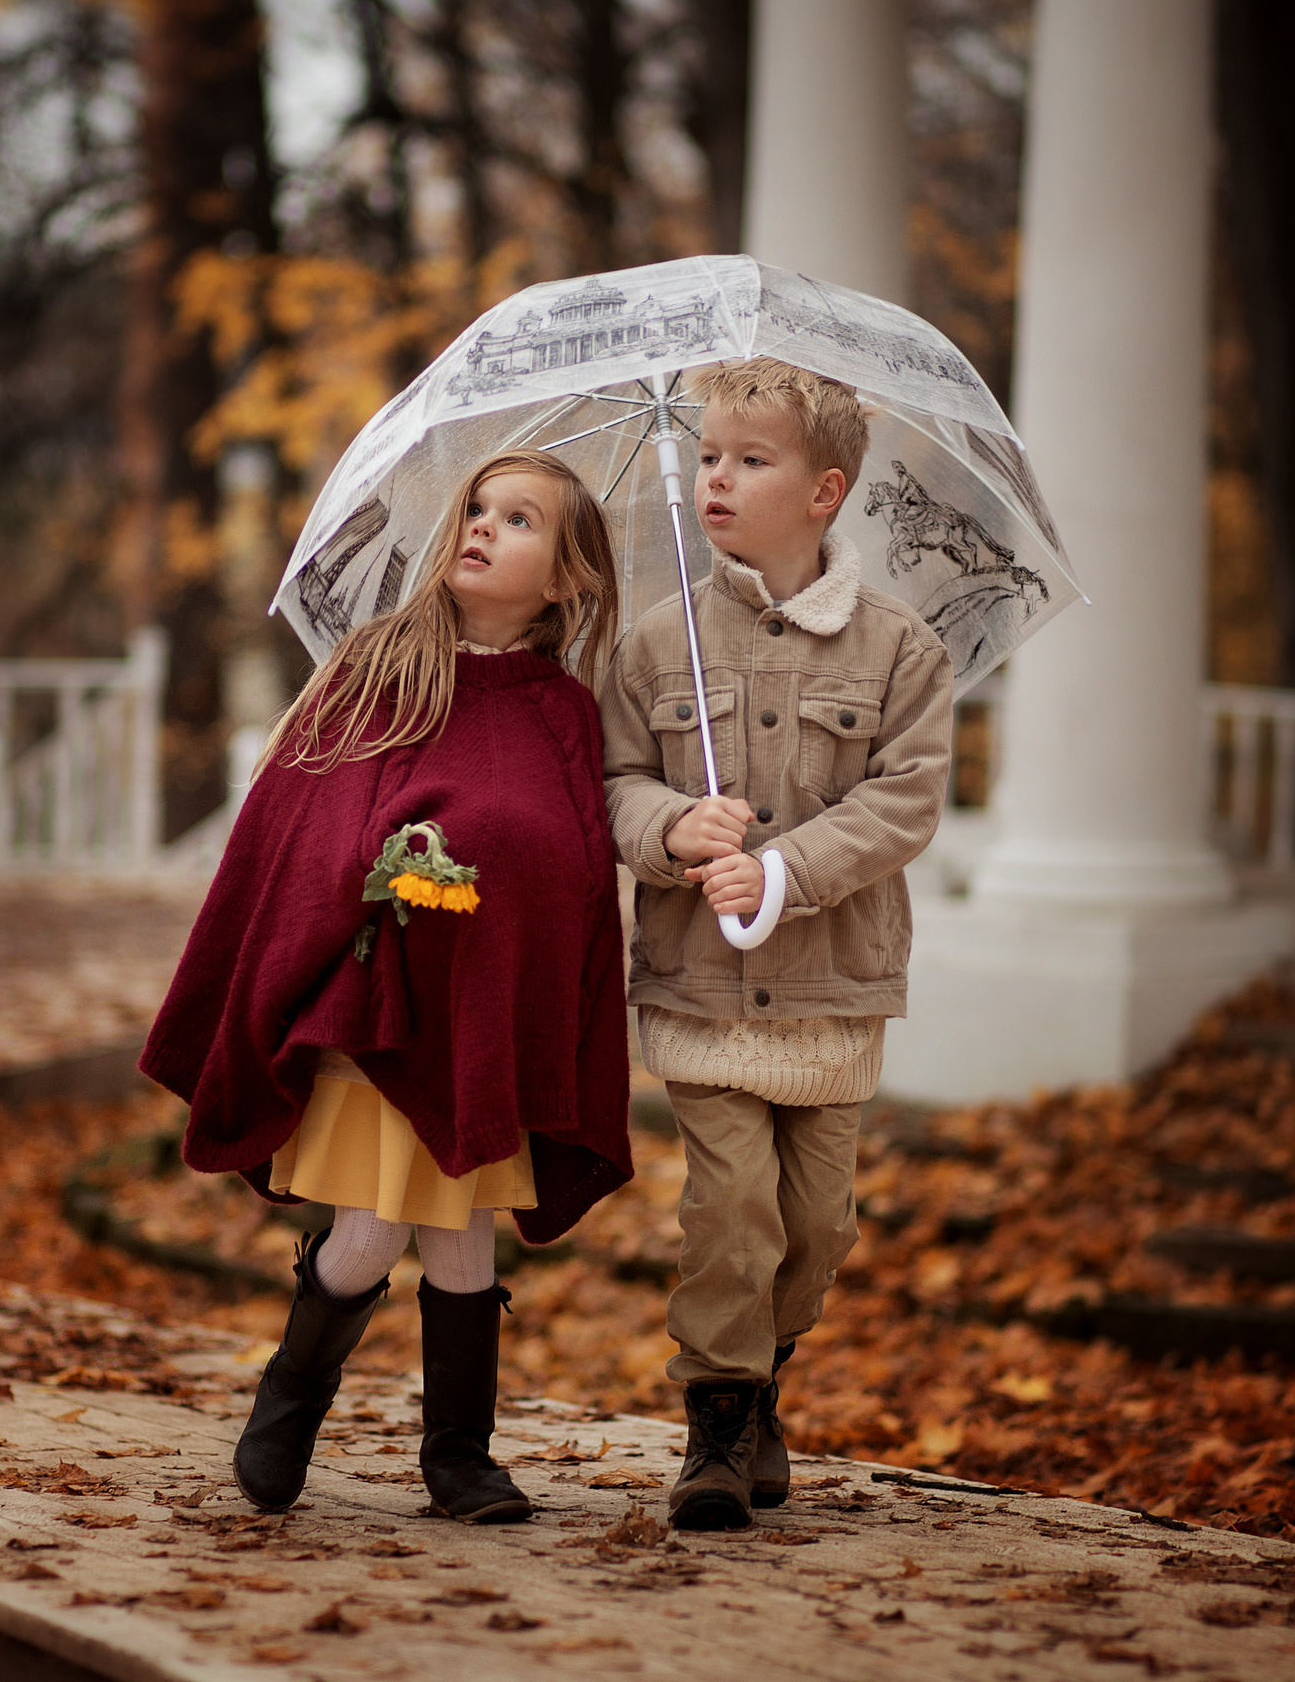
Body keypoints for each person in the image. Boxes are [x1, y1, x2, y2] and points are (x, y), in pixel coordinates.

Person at [142, 448, 634, 1526]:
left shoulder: (564, 711)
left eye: (518, 519)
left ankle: (458, 1459)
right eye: (475, 509)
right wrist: (389, 871)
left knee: (462, 1238)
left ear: (566, 579)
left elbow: (574, 871)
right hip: (374, 1012)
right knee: (370, 1230)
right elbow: (305, 821)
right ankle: (287, 1408)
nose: (482, 526)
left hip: (484, 1018)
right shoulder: (383, 664)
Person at [597, 357, 952, 1531]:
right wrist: (668, 827)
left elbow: (904, 803)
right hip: (703, 990)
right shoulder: (658, 642)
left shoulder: (899, 650)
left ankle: (763, 1380)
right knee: (731, 1214)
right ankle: (713, 1423)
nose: (717, 478)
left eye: (752, 461)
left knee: (815, 1229)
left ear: (824, 492)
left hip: (832, 990)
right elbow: (611, 780)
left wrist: (786, 867)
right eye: (706, 457)